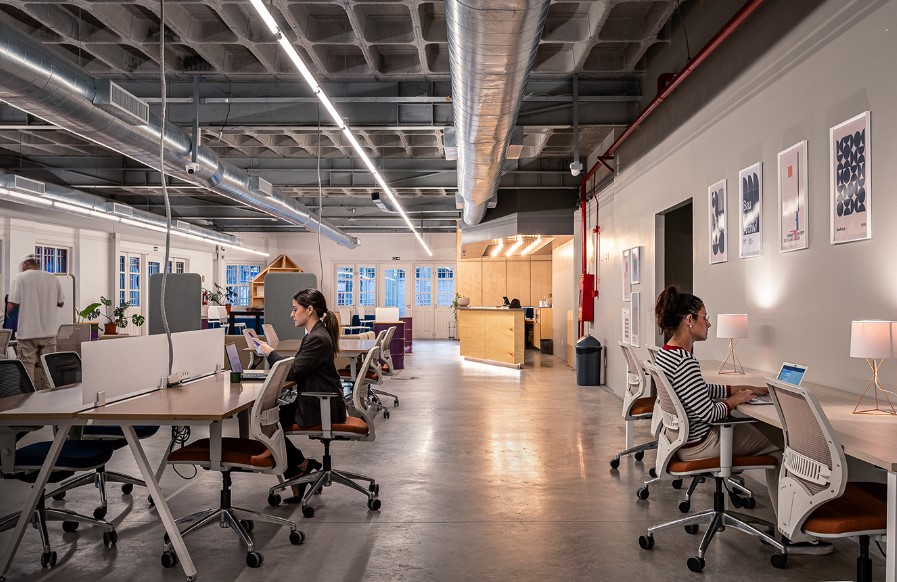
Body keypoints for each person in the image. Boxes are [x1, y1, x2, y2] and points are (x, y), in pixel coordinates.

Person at [653, 285, 831, 554]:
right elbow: (708, 413)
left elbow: (696, 390)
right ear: (689, 320)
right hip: (701, 443)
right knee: (785, 450)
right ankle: (791, 532)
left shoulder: (668, 353)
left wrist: (736, 390)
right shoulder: (686, 361)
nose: (709, 323)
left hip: (682, 439)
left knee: (778, 442)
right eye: (705, 317)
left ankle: (792, 524)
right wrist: (736, 401)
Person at [253, 288, 347, 503]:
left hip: (321, 406)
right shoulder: (316, 334)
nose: (291, 314)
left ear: (310, 309)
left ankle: (301, 468)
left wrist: (270, 353)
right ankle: (302, 467)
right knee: (266, 421)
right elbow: (301, 364)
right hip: (318, 401)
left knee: (263, 424)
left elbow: (295, 371)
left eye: (295, 309)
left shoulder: (318, 338)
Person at [6, 254, 64, 390]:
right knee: (49, 368)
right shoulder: (52, 278)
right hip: (49, 332)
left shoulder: (20, 278)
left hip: (27, 333)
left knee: (26, 368)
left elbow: (12, 305)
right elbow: (60, 302)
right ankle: (51, 402)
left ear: (25, 265)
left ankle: (30, 403)